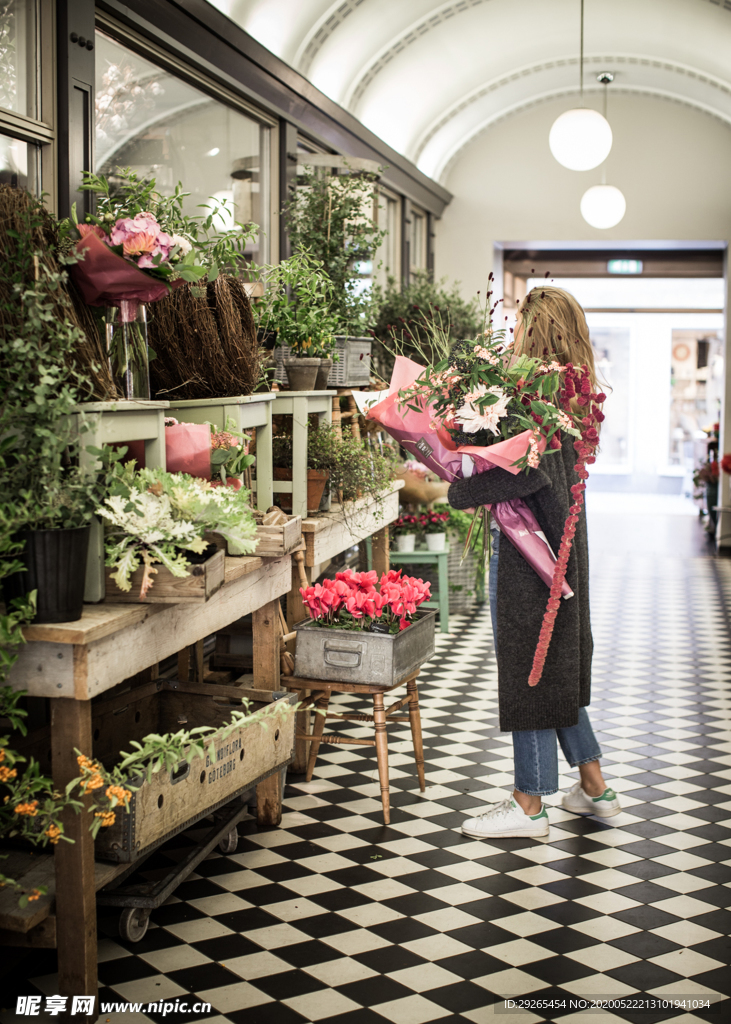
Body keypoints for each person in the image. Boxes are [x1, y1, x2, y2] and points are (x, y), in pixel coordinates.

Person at [447, 286, 620, 839]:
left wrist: (455, 483)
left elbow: (527, 469)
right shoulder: (571, 390)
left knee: (532, 667)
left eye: (522, 321)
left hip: (535, 550)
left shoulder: (536, 392)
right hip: (562, 545)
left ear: (537, 328)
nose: (515, 330)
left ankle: (529, 803)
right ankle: (593, 787)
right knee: (556, 664)